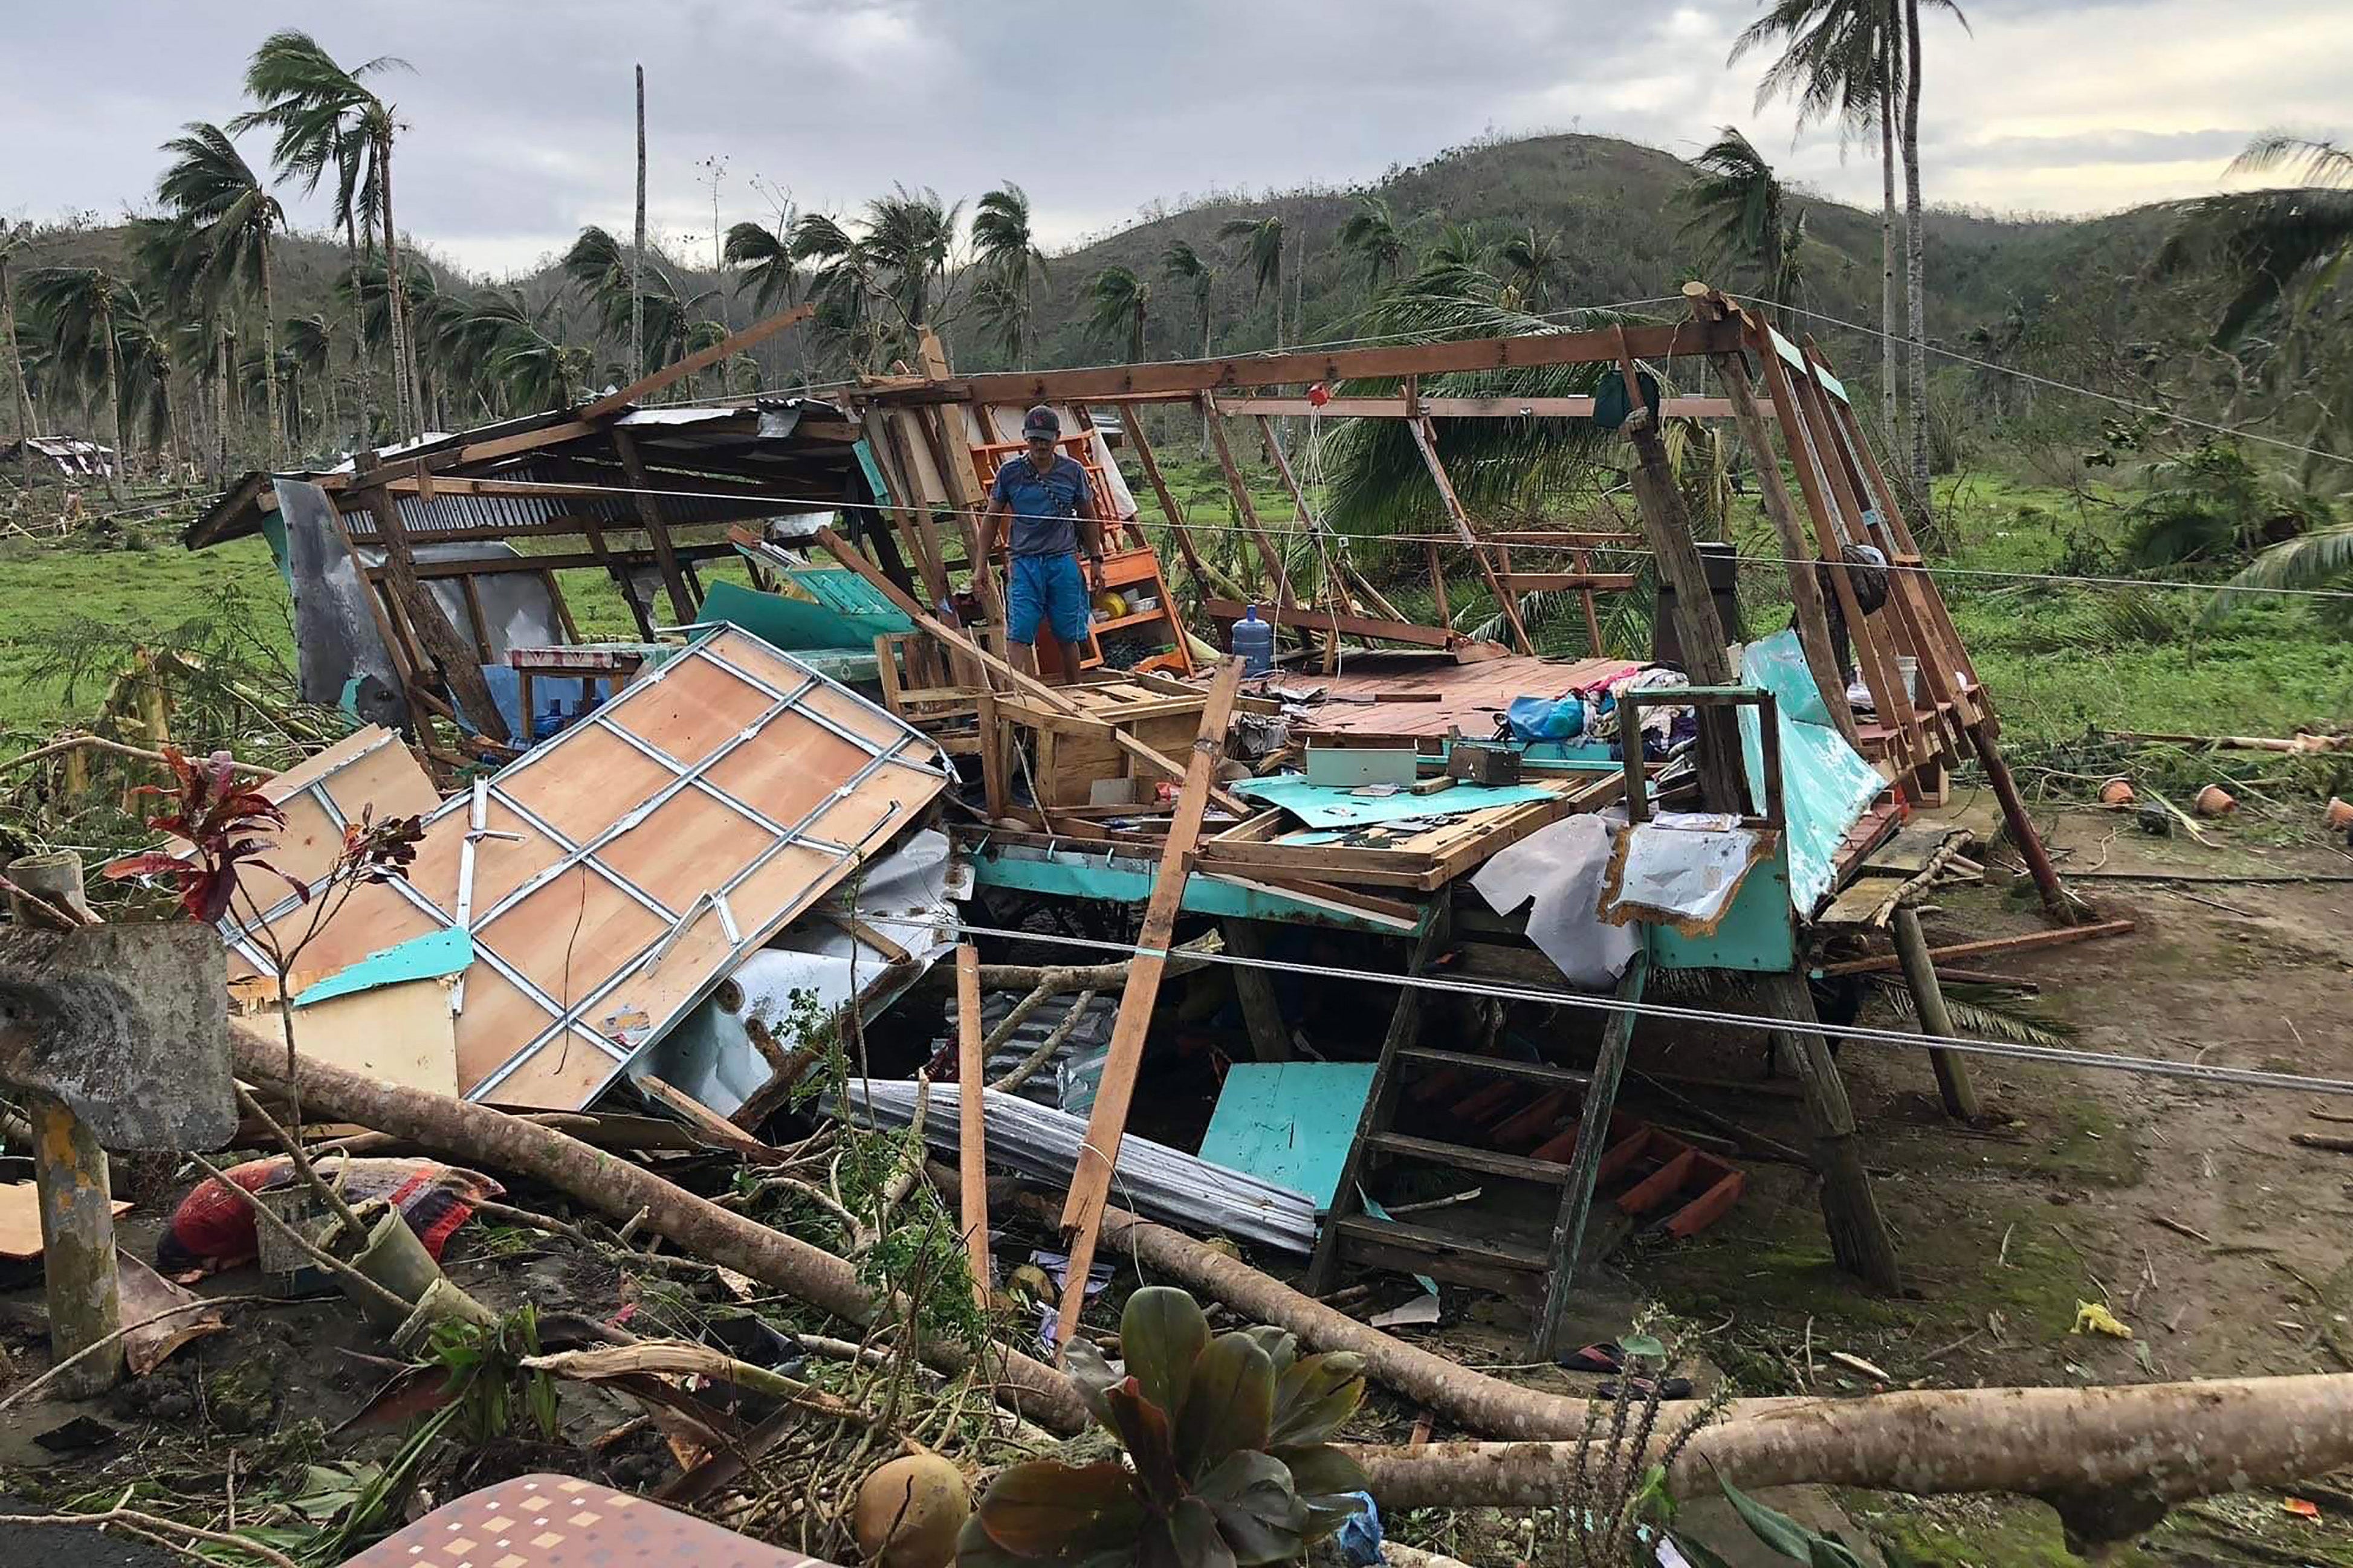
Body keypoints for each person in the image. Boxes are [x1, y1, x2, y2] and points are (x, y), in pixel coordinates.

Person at [982, 405, 1104, 685]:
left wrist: (1097, 560)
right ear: (1025, 437)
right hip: (1025, 563)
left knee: (1069, 633)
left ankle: (1077, 695)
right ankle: (1016, 695)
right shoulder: (1009, 473)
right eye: (1034, 439)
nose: (1040, 446)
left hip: (1062, 561)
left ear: (1057, 438)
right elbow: (991, 520)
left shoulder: (1073, 472)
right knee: (1020, 632)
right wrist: (980, 567)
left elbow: (1089, 516)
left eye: (1045, 440)